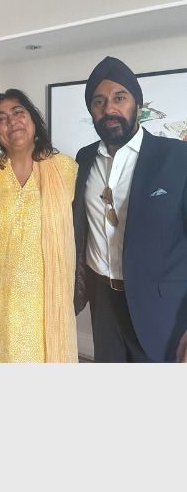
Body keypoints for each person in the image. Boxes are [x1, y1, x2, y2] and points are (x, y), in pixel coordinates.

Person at [73, 56, 187, 362]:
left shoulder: (178, 157)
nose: (109, 108)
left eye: (119, 98)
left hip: (162, 309)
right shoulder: (83, 161)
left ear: (137, 105)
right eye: (98, 101)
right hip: (103, 303)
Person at [0, 88, 78, 362]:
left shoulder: (65, 169)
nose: (11, 121)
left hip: (43, 303)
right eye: (0, 119)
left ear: (33, 119)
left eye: (18, 113)